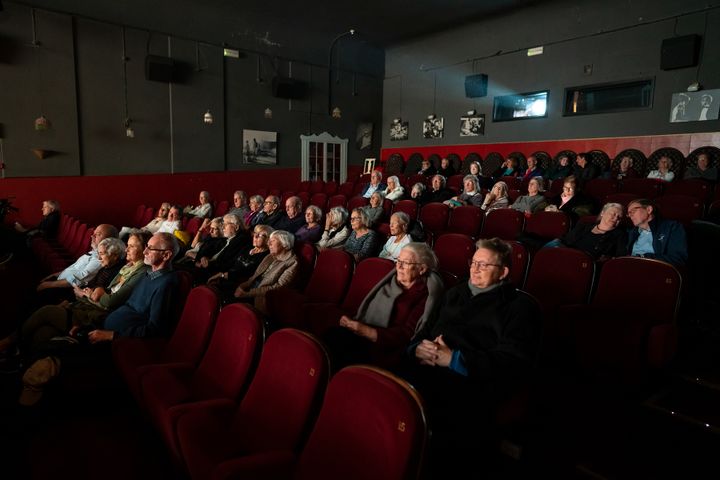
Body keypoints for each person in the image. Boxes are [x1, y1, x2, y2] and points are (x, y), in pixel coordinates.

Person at [406, 238, 541, 477]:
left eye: (484, 265)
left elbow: (512, 361)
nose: (475, 269)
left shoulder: (519, 307)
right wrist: (417, 348)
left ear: (503, 272)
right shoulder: (454, 293)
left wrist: (454, 360)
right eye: (473, 263)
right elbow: (426, 332)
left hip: (474, 379)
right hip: (428, 364)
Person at [0, 236, 130, 359]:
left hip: (86, 315)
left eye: (102, 254)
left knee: (46, 311)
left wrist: (85, 294)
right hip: (79, 305)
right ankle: (22, 358)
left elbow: (103, 300)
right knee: (42, 334)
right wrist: (75, 298)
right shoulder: (105, 268)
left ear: (114, 255)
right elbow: (88, 291)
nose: (99, 257)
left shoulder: (118, 272)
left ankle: (9, 340)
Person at [324, 242, 444, 370]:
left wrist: (366, 331)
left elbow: (407, 334)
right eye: (398, 260)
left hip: (390, 347)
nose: (399, 266)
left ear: (422, 269)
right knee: (332, 336)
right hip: (366, 334)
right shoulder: (389, 281)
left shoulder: (426, 294)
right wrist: (355, 325)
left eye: (406, 263)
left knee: (340, 347)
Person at [88, 231, 180, 342]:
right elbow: (127, 307)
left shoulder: (167, 284)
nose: (145, 252)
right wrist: (92, 325)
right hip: (108, 328)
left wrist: (111, 335)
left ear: (166, 255)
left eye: (150, 248)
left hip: (123, 342)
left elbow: (154, 329)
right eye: (146, 247)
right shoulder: (149, 274)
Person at [34, 224, 119, 305]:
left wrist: (48, 284)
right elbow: (73, 267)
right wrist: (55, 275)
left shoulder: (99, 259)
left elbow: (78, 279)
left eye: (98, 234)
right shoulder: (93, 252)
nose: (92, 236)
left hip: (64, 288)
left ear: (109, 240)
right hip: (59, 280)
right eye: (93, 233)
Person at [232, 230, 298, 315]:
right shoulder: (269, 256)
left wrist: (247, 294)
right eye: (269, 241)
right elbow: (254, 276)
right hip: (251, 288)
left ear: (285, 244)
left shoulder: (293, 262)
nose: (269, 244)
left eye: (273, 241)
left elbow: (278, 287)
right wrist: (243, 285)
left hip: (263, 297)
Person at [208, 224, 272, 303]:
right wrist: (219, 274)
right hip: (227, 277)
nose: (255, 237)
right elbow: (232, 262)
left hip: (239, 285)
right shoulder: (247, 248)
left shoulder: (266, 256)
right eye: (255, 234)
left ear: (267, 240)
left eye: (260, 235)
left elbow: (247, 273)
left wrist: (222, 275)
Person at [547, 202, 628, 260]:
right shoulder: (584, 226)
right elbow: (565, 240)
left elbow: (619, 256)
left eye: (619, 217)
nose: (616, 218)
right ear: (603, 213)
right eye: (613, 214)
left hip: (586, 263)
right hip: (566, 254)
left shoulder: (620, 235)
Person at [626, 199, 687, 267]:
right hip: (630, 267)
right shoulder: (632, 233)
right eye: (628, 213)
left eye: (633, 211)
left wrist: (643, 257)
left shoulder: (671, 227)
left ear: (649, 209)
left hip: (655, 269)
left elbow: (678, 259)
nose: (630, 215)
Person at [190, 213, 249, 283]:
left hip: (215, 274)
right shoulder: (226, 238)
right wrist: (203, 257)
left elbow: (227, 264)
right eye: (222, 224)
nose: (223, 227)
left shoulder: (240, 241)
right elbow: (207, 250)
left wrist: (208, 265)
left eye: (225, 224)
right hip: (208, 267)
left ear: (236, 227)